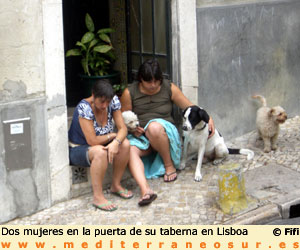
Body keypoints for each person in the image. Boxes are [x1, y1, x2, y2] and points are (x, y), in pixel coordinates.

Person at [120, 59, 215, 206]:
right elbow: (123, 120)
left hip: (165, 135)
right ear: (140, 79)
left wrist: (209, 118)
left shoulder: (169, 88)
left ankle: (169, 166)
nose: (153, 85)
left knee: (154, 127)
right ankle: (146, 191)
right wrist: (133, 130)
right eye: (148, 82)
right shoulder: (129, 92)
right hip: (143, 137)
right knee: (130, 150)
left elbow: (190, 106)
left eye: (156, 81)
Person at [68, 79, 132, 212]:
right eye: (101, 101)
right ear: (93, 95)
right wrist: (112, 136)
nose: (105, 105)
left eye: (107, 102)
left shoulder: (112, 101)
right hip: (79, 148)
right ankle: (97, 196)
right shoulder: (84, 107)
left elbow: (123, 129)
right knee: (100, 152)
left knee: (125, 144)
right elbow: (92, 140)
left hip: (102, 142)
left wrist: (116, 142)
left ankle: (116, 185)